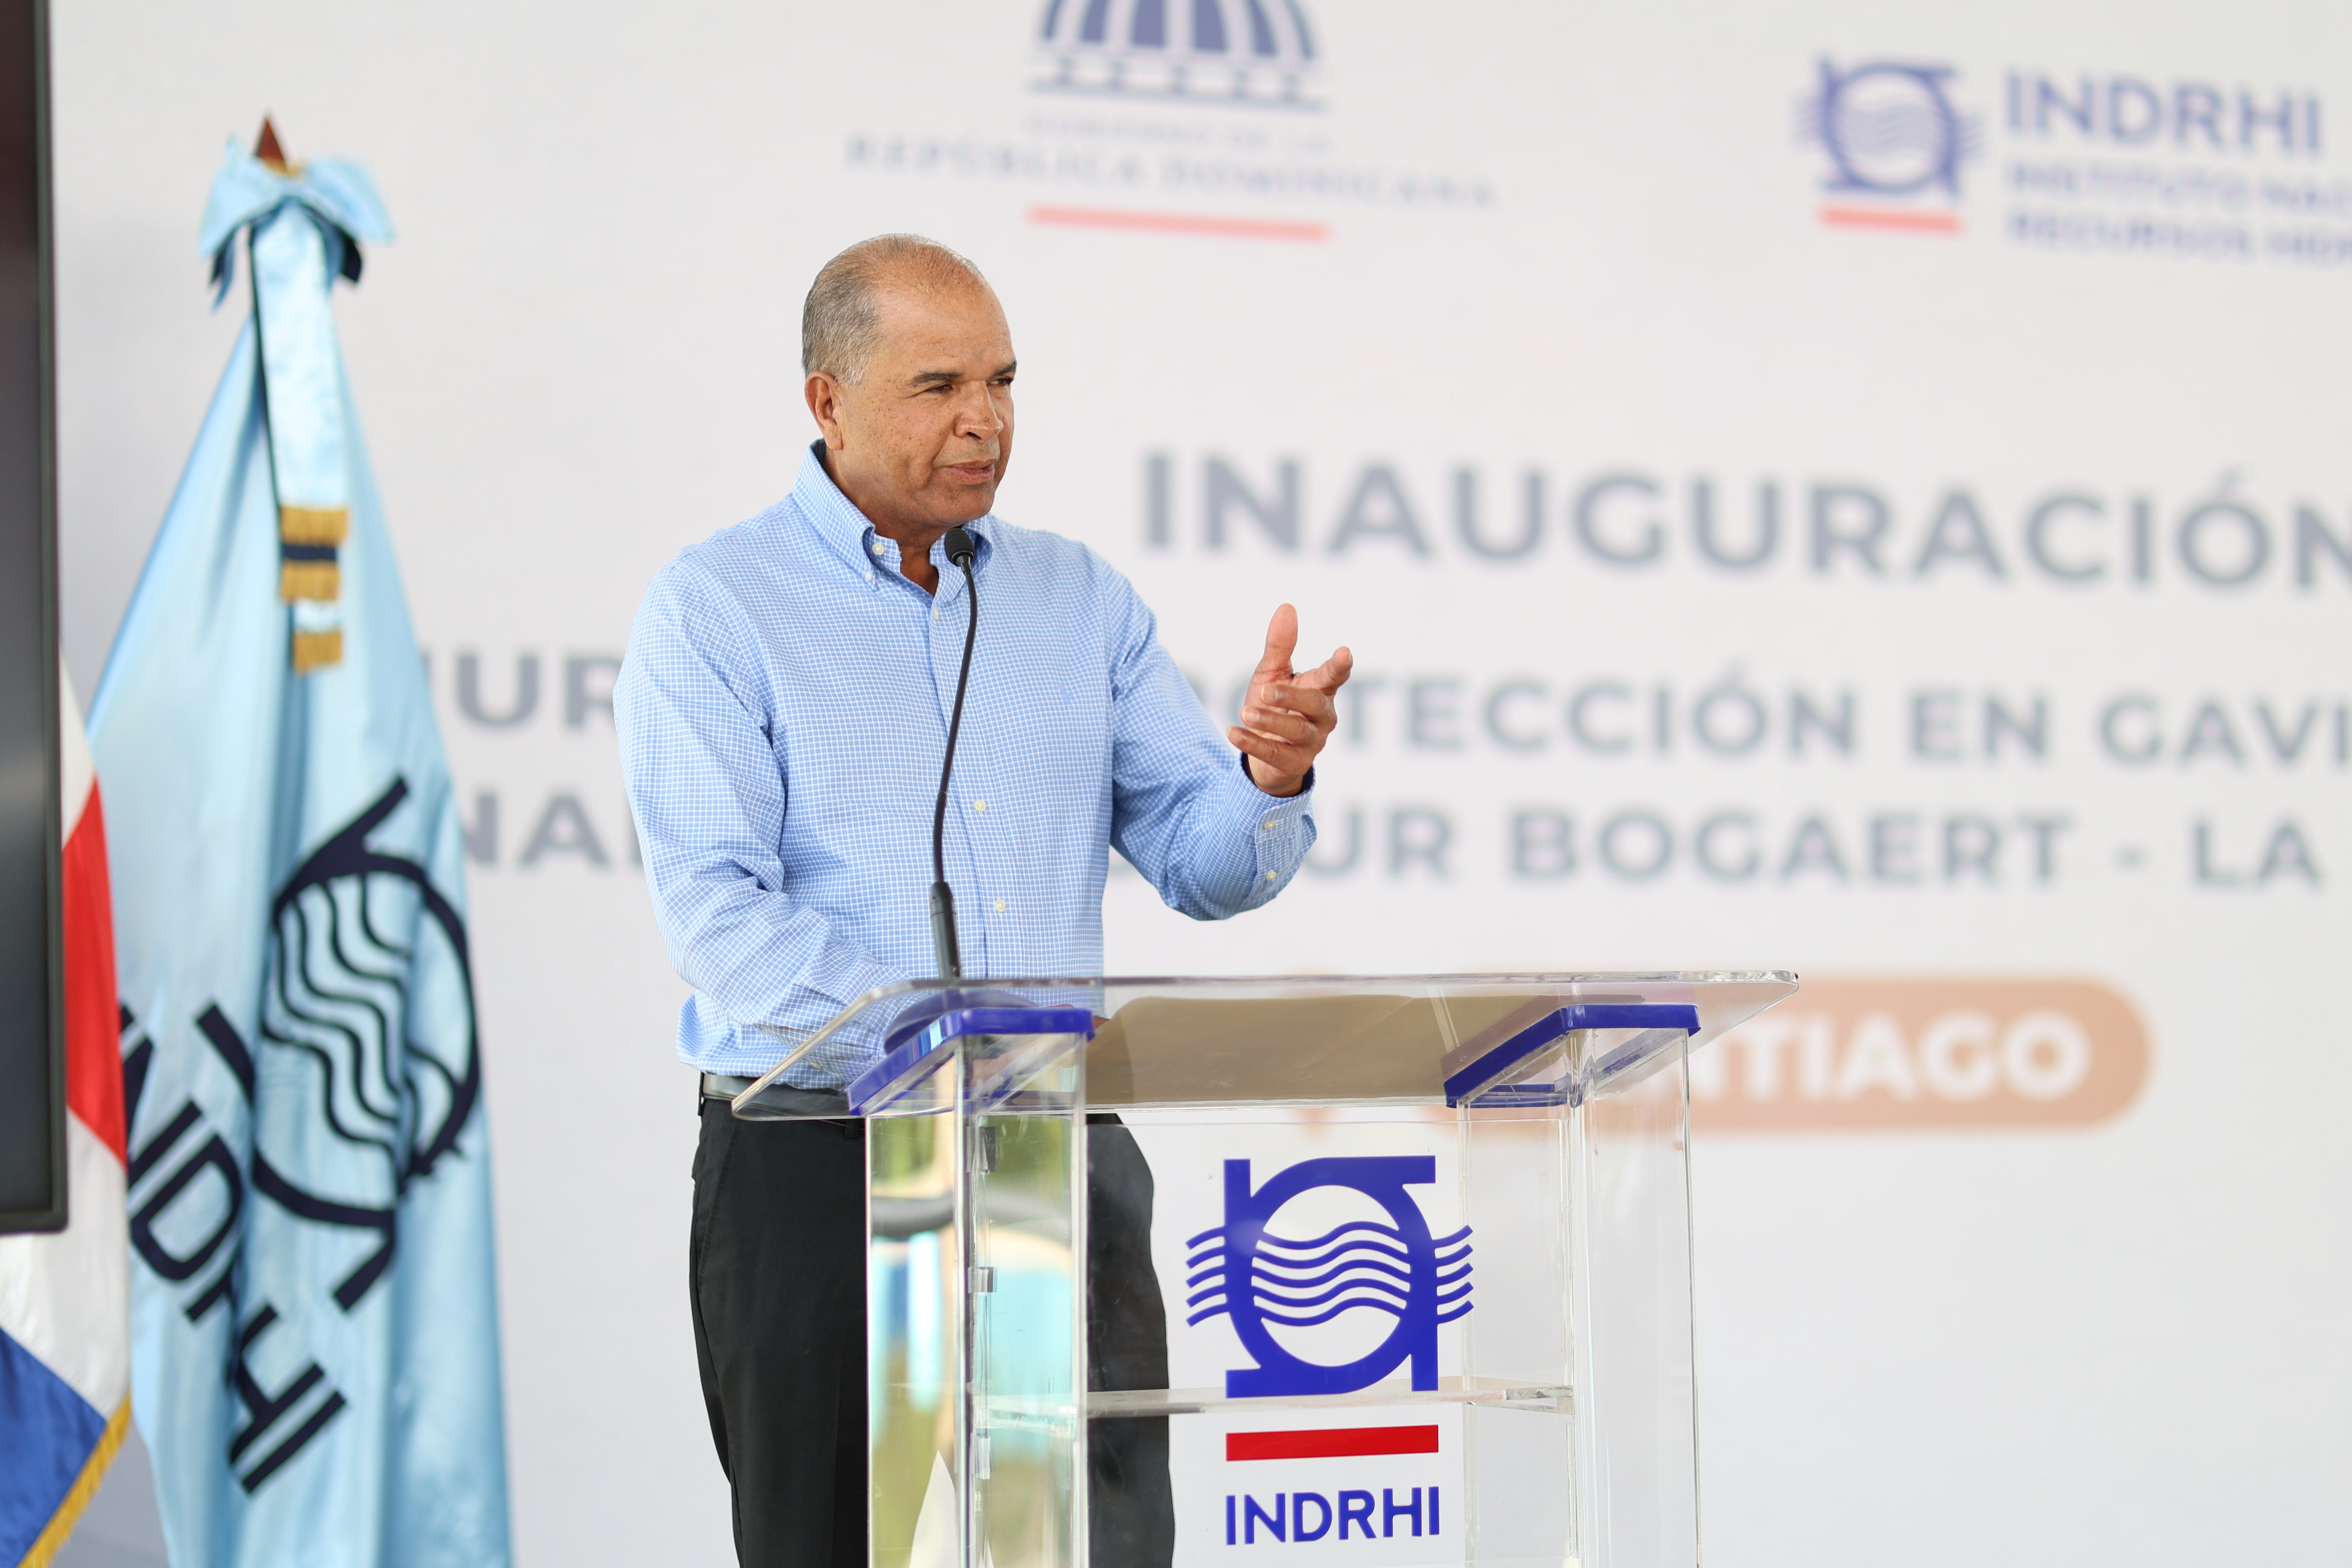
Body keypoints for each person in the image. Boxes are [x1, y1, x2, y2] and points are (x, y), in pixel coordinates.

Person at [613, 234, 1352, 1568]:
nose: (985, 419)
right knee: (834, 1542)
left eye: (1003, 381)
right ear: (827, 400)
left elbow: (1204, 865)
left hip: (1044, 1155)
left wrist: (1266, 777)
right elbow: (719, 913)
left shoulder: (1079, 600)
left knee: (1086, 1540)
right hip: (821, 1156)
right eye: (938, 385)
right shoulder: (717, 608)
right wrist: (937, 1044)